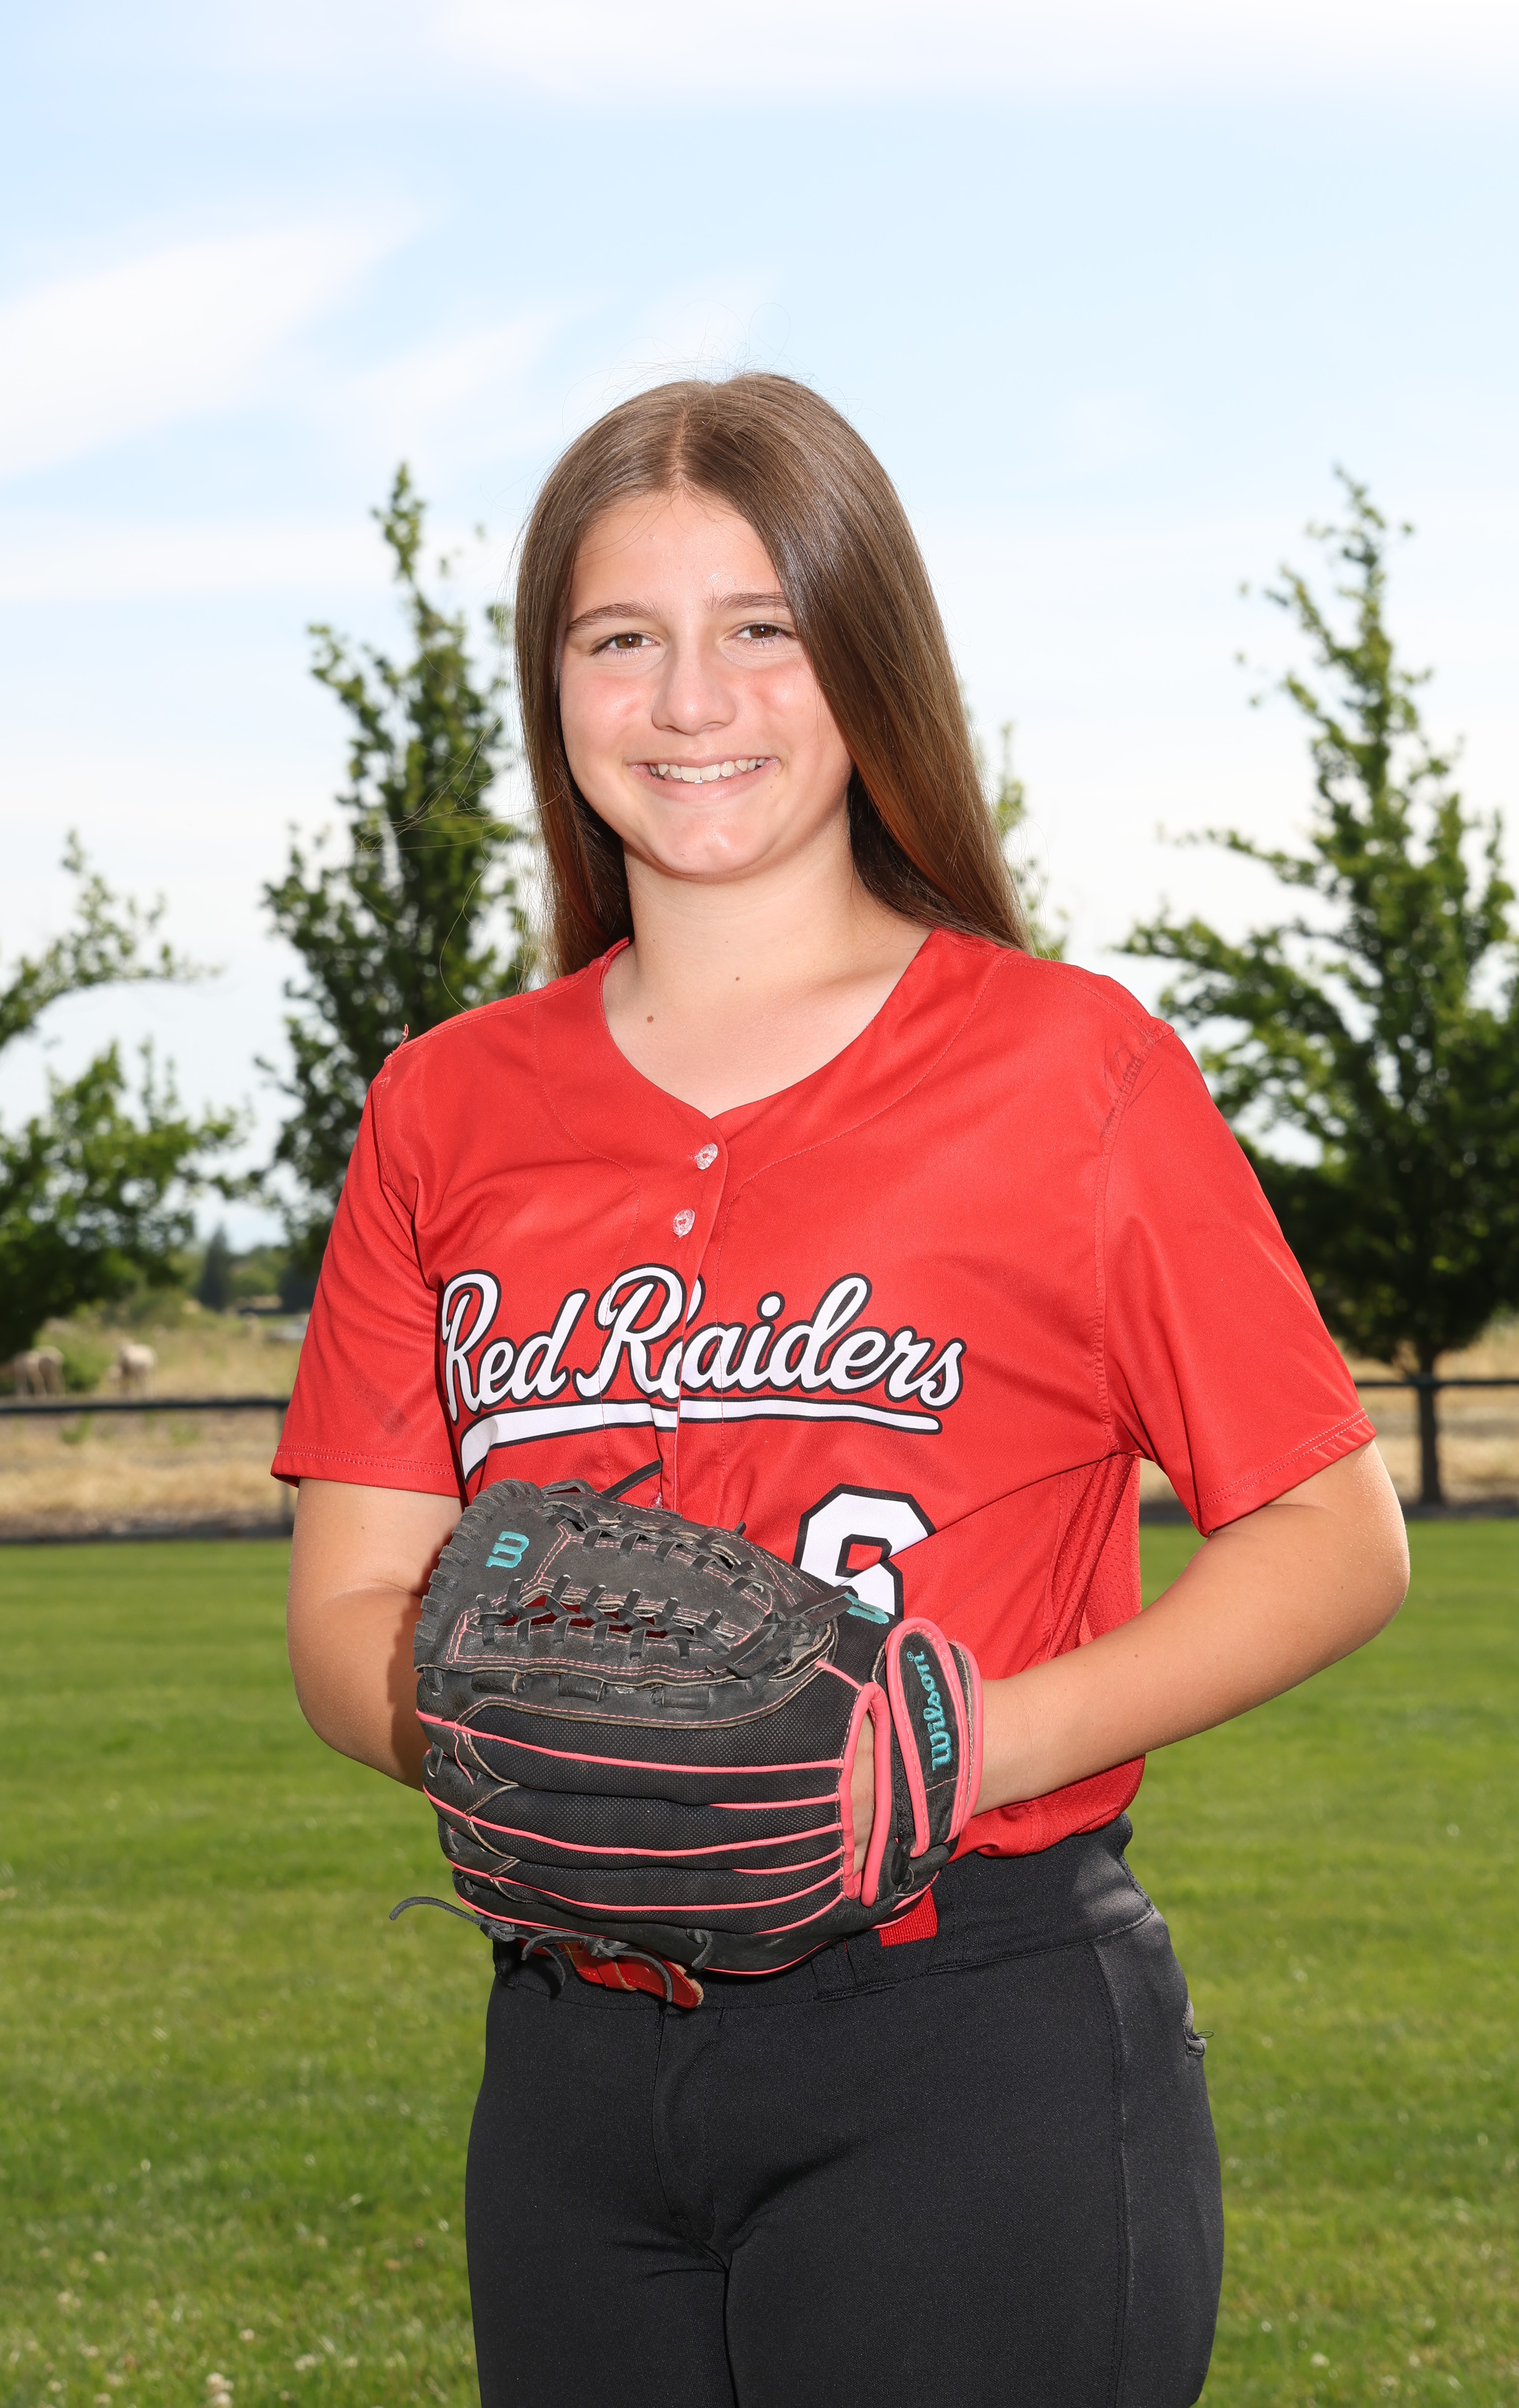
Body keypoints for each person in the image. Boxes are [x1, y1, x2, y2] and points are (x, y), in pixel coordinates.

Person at [276, 373, 1410, 2408]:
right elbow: (348, 1609)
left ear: (869, 659)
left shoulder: (1069, 1068)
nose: (689, 699)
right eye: (620, 638)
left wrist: (963, 1749)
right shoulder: (443, 1107)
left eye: (762, 627)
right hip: (571, 2058)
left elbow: (1331, 1534)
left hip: (964, 2039)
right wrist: (543, 1751)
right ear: (553, 688)